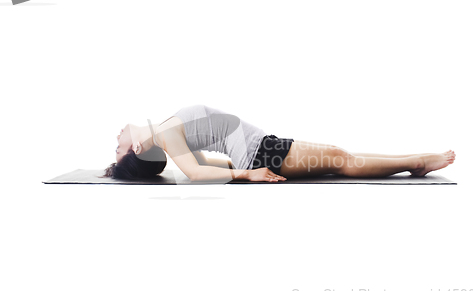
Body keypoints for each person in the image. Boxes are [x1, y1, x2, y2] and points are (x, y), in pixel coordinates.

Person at [103, 104, 455, 182]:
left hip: (259, 147)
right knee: (339, 159)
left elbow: (202, 161)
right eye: (118, 149)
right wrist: (248, 174)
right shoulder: (163, 135)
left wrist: (232, 169)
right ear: (135, 150)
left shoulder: (164, 132)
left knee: (338, 157)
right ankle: (417, 162)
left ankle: (414, 159)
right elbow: (194, 173)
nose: (116, 138)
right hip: (259, 153)